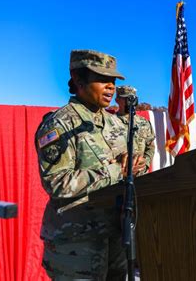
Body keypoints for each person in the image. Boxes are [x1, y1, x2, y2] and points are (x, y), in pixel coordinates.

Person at [35, 49, 142, 280]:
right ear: (78, 79)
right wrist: (115, 171)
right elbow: (57, 183)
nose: (111, 86)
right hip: (75, 244)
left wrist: (134, 166)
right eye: (102, 79)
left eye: (113, 80)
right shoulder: (59, 125)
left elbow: (126, 164)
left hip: (115, 236)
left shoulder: (115, 124)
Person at [115, 85, 155, 176]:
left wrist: (145, 164)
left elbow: (150, 147)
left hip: (140, 176)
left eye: (133, 99)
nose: (130, 102)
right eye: (126, 98)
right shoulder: (109, 121)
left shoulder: (144, 123)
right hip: (118, 176)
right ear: (117, 100)